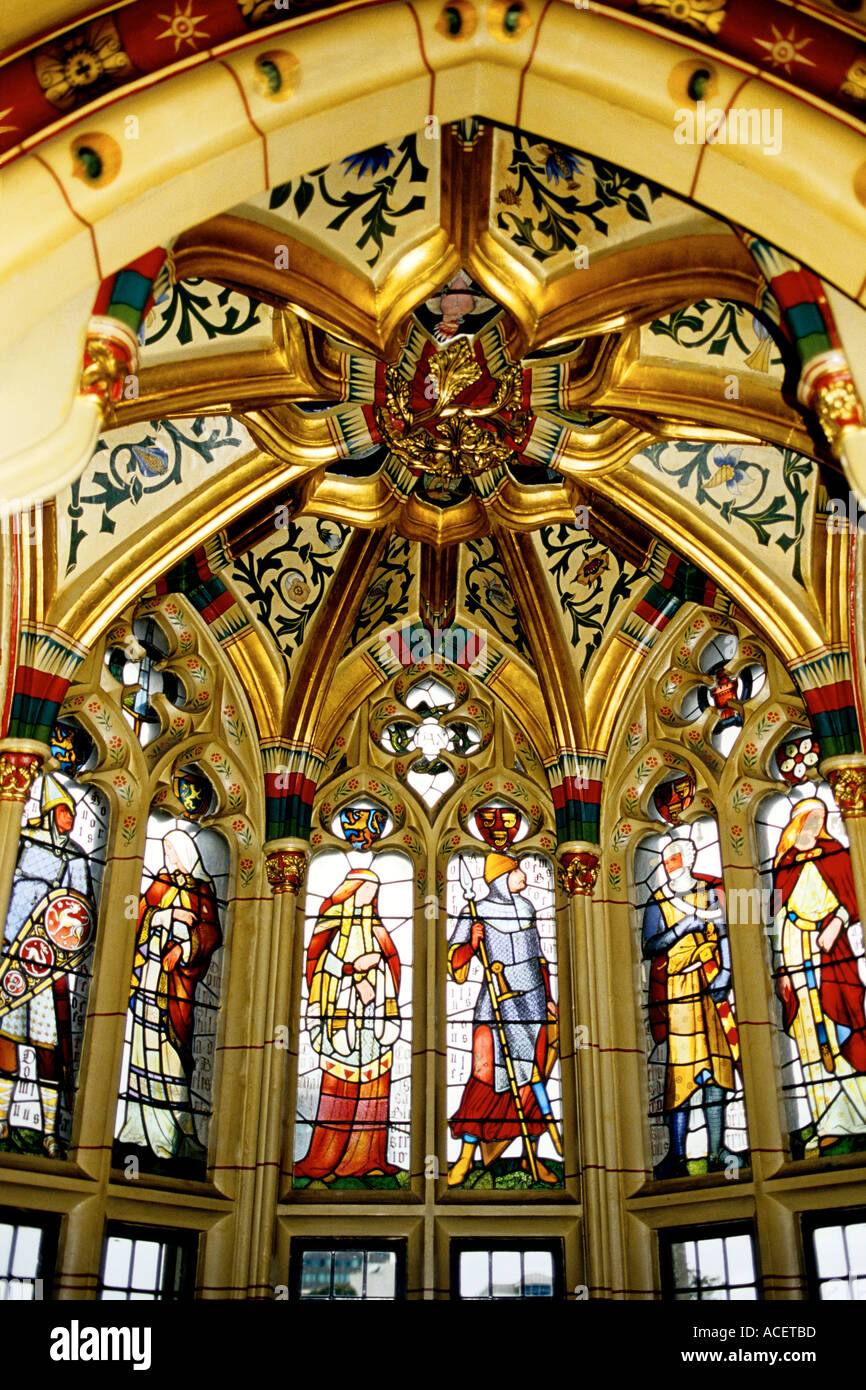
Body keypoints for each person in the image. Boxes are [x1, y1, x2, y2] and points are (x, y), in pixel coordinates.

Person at [447, 853, 559, 1187]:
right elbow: (455, 962)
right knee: (485, 1081)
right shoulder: (475, 911)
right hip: (495, 1005)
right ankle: (466, 1159)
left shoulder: (527, 909)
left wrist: (549, 998)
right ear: (500, 878)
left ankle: (531, 1157)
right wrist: (472, 943)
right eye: (515, 871)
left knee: (532, 1081)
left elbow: (539, 957)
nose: (523, 874)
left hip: (533, 1003)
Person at [0, 776, 96, 1156]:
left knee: (47, 1051)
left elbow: (81, 907)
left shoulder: (75, 857)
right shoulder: (25, 840)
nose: (70, 819)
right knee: (6, 1043)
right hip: (13, 954)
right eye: (64, 812)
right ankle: (4, 1125)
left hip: (49, 965)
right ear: (50, 813)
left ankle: (50, 1132)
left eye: (72, 813)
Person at [116, 828, 221, 1162]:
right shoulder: (160, 884)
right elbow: (138, 918)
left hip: (177, 987)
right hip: (148, 976)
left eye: (172, 853)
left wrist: (185, 947)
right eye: (165, 852)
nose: (168, 858)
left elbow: (211, 933)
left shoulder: (202, 890)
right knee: (141, 1054)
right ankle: (136, 1127)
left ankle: (172, 1131)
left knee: (172, 1057)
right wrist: (167, 914)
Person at [771, 796, 866, 1153]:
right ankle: (828, 1121)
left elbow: (856, 897)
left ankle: (861, 1114)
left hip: (832, 948)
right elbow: (767, 918)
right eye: (809, 818)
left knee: (843, 1023)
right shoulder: (782, 867)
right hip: (795, 948)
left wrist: (838, 921)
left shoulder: (837, 853)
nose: (815, 824)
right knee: (809, 1037)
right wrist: (780, 965)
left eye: (821, 818)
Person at [295, 867, 402, 1182]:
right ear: (351, 889)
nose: (371, 896)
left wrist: (378, 972)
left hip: (373, 1015)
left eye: (374, 891)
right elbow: (318, 966)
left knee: (373, 1089)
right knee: (337, 1092)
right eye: (366, 889)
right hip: (340, 1016)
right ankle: (323, 1161)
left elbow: (391, 964)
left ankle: (366, 1158)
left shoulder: (376, 927)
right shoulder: (333, 923)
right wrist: (353, 971)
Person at [642, 838, 740, 1178]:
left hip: (711, 984)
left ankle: (716, 1151)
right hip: (679, 991)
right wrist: (683, 927)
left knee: (717, 1067)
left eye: (678, 858)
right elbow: (650, 945)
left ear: (692, 857)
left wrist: (726, 973)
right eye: (667, 861)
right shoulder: (659, 900)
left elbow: (725, 933)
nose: (673, 865)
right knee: (681, 1074)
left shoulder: (711, 893)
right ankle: (677, 1156)